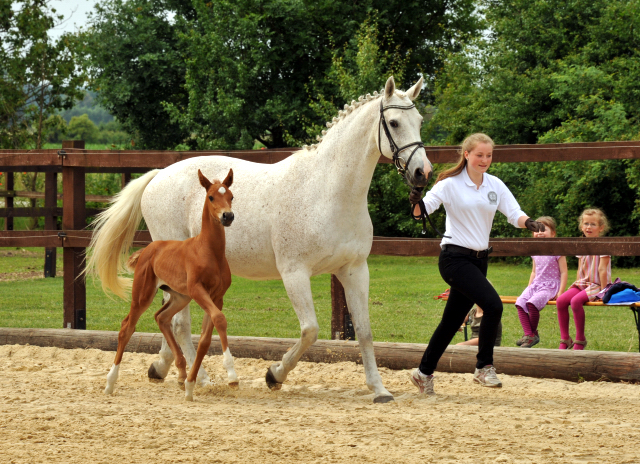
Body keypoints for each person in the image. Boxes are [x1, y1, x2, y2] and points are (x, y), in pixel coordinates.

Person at [408, 133, 545, 394]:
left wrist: (528, 222)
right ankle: (484, 367)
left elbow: (513, 213)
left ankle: (423, 372)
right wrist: (416, 200)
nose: (484, 160)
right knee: (493, 305)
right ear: (467, 155)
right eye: (479, 155)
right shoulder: (450, 184)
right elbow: (421, 212)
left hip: (479, 261)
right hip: (454, 258)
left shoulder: (494, 185)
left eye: (489, 155)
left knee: (450, 322)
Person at [555, 208, 611, 350]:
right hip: (583, 283)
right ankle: (565, 338)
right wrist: (576, 285)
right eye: (586, 223)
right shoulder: (581, 245)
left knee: (575, 302)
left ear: (601, 228)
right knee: (561, 301)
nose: (588, 227)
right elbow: (581, 268)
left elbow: (602, 270)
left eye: (593, 224)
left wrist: (604, 292)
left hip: (597, 285)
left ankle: (580, 339)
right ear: (581, 226)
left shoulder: (604, 246)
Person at [515, 216, 568, 348]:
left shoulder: (557, 250)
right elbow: (534, 271)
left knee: (532, 304)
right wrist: (529, 287)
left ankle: (530, 336)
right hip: (536, 284)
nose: (539, 232)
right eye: (537, 230)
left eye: (543, 229)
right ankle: (530, 334)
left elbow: (564, 272)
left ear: (553, 233)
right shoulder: (535, 250)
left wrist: (561, 291)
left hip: (550, 286)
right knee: (520, 303)